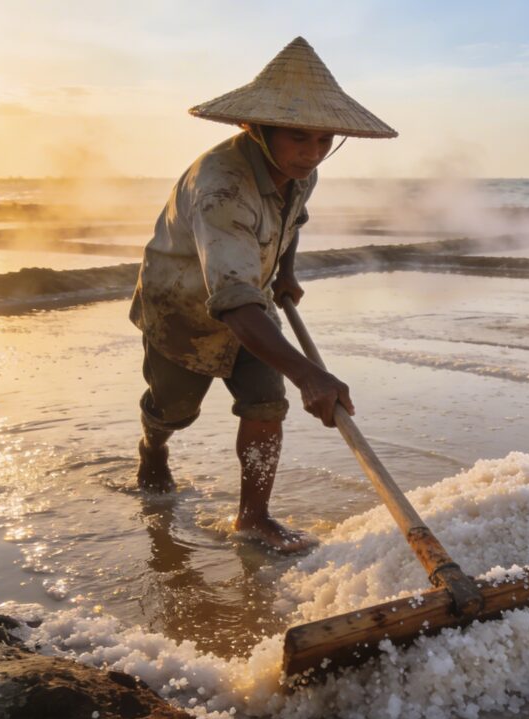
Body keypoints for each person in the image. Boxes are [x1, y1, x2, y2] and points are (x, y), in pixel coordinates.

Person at [128, 37, 397, 553]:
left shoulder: (301, 170)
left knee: (266, 405)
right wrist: (311, 375)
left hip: (251, 302)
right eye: (299, 137)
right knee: (173, 410)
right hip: (182, 308)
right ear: (255, 128)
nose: (312, 152)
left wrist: (285, 274)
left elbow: (292, 221)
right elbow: (232, 302)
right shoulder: (221, 188)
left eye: (324, 139)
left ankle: (253, 519)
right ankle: (152, 446)